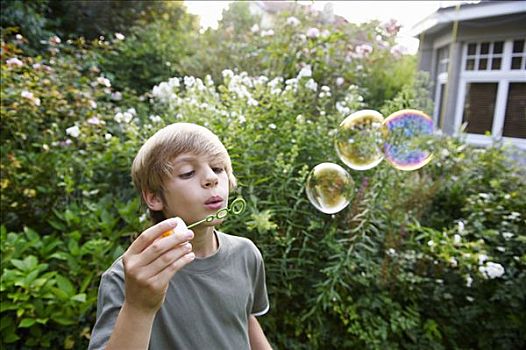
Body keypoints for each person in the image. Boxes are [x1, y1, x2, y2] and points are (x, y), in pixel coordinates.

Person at [88, 123, 272, 349]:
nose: (210, 179)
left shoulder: (246, 254)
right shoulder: (130, 278)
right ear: (154, 198)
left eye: (217, 168)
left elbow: (244, 319)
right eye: (187, 173)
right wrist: (138, 307)